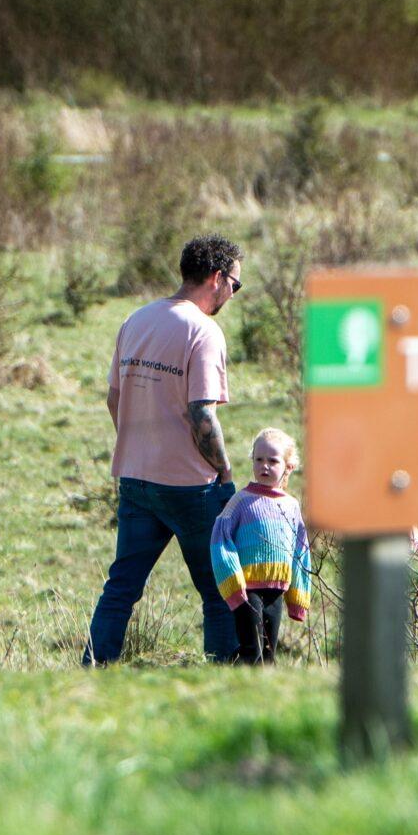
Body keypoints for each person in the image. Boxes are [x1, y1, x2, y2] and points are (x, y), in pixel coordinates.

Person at [85, 234, 243, 665]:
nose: (232, 293)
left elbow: (113, 399)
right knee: (218, 592)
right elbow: (202, 415)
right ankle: (224, 680)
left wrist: (138, 447)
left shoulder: (135, 320)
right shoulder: (204, 332)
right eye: (234, 285)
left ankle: (92, 671)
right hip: (192, 487)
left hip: (135, 478)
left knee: (120, 589)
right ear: (216, 278)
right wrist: (225, 473)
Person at [210, 427, 312, 665]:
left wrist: (298, 598)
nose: (264, 466)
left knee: (268, 653)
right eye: (259, 460)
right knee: (251, 649)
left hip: (276, 588)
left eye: (273, 461)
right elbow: (220, 541)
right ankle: (238, 690)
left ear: (288, 467)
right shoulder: (241, 501)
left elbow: (301, 552)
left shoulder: (291, 506)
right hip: (247, 589)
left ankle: (263, 694)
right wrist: (233, 584)